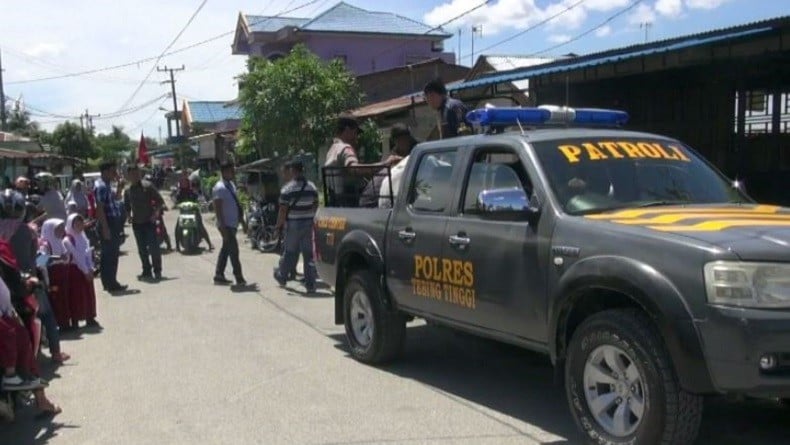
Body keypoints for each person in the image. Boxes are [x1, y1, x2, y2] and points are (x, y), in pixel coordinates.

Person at [0, 189, 70, 363]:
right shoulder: (29, 231)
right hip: (25, 281)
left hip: (5, 283)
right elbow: (33, 258)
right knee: (47, 315)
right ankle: (55, 353)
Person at [0, 239, 61, 415]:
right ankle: (41, 401)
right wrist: (27, 284)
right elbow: (15, 284)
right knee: (23, 341)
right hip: (9, 309)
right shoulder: (3, 248)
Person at [324, 116, 402, 206]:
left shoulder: (332, 149)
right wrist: (385, 164)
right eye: (356, 132)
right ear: (347, 129)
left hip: (335, 200)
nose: (357, 137)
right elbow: (354, 169)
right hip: (351, 200)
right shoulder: (346, 148)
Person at [273, 160, 319, 293]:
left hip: (293, 224)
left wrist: (278, 226)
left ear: (293, 171)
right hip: (309, 223)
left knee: (290, 252)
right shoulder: (312, 187)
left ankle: (282, 276)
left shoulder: (287, 189)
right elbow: (316, 206)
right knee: (309, 255)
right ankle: (310, 284)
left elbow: (282, 211)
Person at [123, 165, 166, 281]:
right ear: (128, 176)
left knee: (154, 248)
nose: (134, 176)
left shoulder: (147, 186)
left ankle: (157, 270)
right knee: (142, 249)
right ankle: (146, 270)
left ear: (139, 173)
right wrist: (128, 216)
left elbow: (160, 201)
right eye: (132, 174)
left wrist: (155, 214)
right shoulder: (128, 190)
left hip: (149, 222)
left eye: (136, 173)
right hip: (137, 223)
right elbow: (126, 206)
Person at [94, 161, 128, 293]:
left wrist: (120, 187)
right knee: (111, 255)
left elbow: (117, 198)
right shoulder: (101, 186)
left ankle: (109, 282)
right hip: (107, 222)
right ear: (106, 172)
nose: (115, 174)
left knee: (109, 254)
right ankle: (111, 283)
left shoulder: (107, 185)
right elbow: (100, 208)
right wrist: (105, 228)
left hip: (112, 222)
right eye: (113, 171)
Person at [212, 163, 247, 286]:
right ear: (225, 171)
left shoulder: (230, 185)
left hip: (233, 224)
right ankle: (239, 277)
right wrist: (223, 227)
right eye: (231, 171)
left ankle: (218, 275)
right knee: (234, 251)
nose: (233, 173)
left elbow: (236, 204)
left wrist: (242, 221)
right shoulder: (219, 187)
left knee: (226, 249)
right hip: (226, 225)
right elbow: (218, 209)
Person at [63, 214, 98, 329]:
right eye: (76, 223)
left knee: (88, 294)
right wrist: (85, 270)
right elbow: (77, 256)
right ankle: (75, 320)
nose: (79, 226)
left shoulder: (83, 237)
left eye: (81, 223)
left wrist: (91, 268)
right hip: (75, 270)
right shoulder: (68, 240)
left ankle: (90, 317)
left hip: (86, 269)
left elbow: (87, 253)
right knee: (76, 295)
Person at [376, 124, 419, 208]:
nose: (404, 142)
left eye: (406, 138)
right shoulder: (393, 156)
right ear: (395, 140)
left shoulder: (417, 149)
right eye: (401, 139)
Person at [174, 177, 213, 251]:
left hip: (194, 212)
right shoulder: (179, 193)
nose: (184, 184)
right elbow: (176, 201)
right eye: (182, 183)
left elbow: (198, 199)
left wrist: (200, 203)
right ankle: (177, 246)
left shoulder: (192, 192)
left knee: (200, 226)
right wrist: (175, 204)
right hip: (183, 213)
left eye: (185, 182)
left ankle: (210, 244)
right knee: (177, 228)